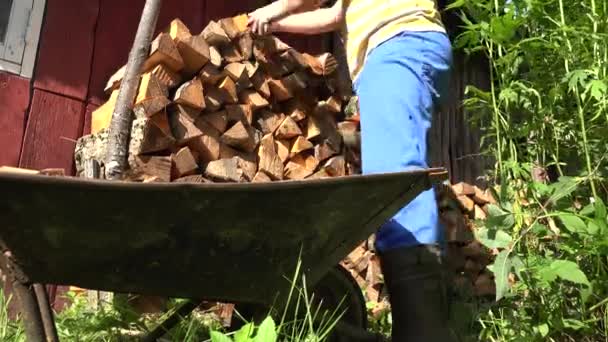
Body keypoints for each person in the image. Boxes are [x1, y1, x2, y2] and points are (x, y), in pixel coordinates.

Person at [248, 0, 454, 340]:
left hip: (398, 42)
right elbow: (335, 15)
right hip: (404, 46)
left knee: (394, 183)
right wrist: (278, 26)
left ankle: (424, 333)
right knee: (396, 173)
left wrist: (275, 9)